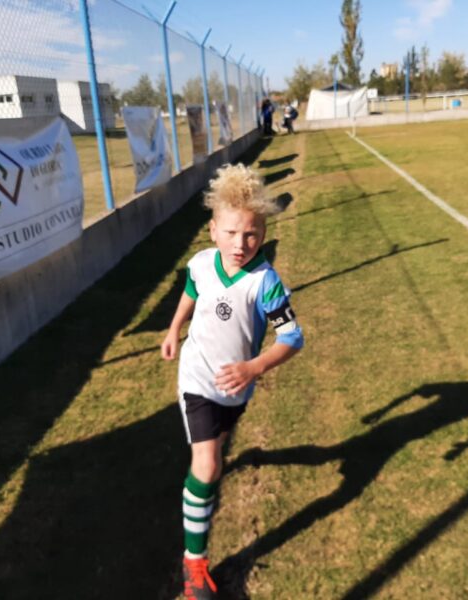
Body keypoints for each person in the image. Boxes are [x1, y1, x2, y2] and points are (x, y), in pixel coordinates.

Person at [161, 163, 305, 599]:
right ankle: (194, 565)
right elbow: (191, 290)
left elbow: (292, 337)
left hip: (236, 387)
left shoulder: (265, 282)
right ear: (212, 231)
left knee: (218, 450)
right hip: (197, 377)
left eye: (251, 234)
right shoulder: (202, 263)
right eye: (230, 233)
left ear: (263, 232)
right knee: (206, 465)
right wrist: (173, 329)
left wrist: (252, 368)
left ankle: (207, 474)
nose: (240, 244)